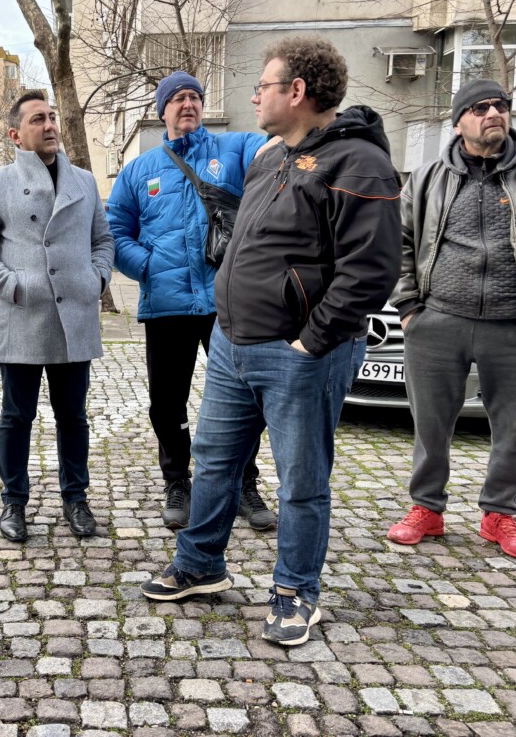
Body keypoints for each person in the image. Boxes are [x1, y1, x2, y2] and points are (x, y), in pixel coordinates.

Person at [140, 37, 401, 648]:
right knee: (214, 459)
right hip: (233, 346)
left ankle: (295, 592)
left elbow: (371, 271)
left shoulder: (358, 165)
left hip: (299, 356)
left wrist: (311, 343)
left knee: (300, 480)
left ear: (298, 92)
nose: (254, 95)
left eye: (264, 85)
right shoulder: (269, 156)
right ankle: (200, 564)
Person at [386, 78, 516, 559]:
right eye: (481, 107)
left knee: (513, 429)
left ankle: (499, 516)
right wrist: (408, 309)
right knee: (430, 424)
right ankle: (427, 509)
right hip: (437, 322)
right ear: (459, 121)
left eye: (501, 106)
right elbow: (399, 244)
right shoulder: (426, 178)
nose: (494, 113)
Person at [107, 70, 276, 532]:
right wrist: (146, 267)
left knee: (244, 398)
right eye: (178, 98)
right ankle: (177, 481)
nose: (188, 104)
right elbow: (114, 228)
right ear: (162, 110)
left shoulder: (233, 148)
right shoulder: (139, 169)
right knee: (167, 401)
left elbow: (272, 149)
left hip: (228, 301)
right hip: (167, 303)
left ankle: (244, 481)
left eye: (195, 97)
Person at [0, 90, 115, 542]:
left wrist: (98, 279)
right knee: (16, 416)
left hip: (75, 314)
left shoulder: (84, 181)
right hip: (23, 315)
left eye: (52, 117)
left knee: (73, 416)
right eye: (37, 120)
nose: (49, 125)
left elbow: (103, 240)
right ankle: (14, 502)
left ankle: (76, 499)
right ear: (16, 134)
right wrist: (11, 285)